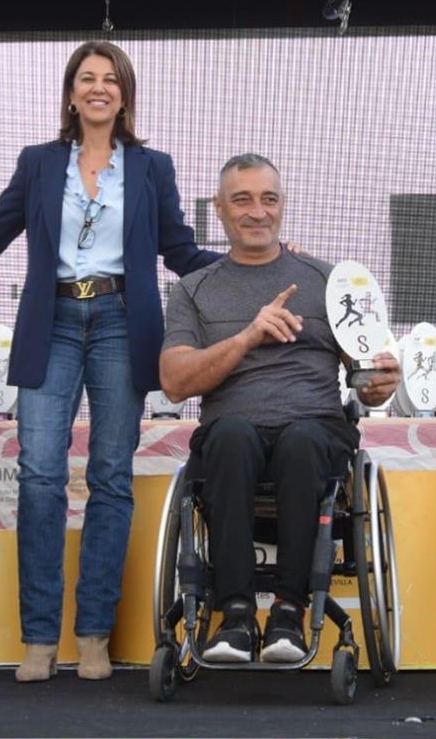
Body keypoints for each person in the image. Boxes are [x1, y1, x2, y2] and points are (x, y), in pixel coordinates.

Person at [0, 41, 219, 681]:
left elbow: (181, 250)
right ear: (71, 94)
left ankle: (95, 634)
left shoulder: (152, 167)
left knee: (110, 476)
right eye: (87, 78)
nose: (98, 88)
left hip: (121, 321)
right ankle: (40, 637)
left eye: (111, 79)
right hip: (51, 322)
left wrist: (251, 267)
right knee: (40, 475)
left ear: (125, 95)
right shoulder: (40, 163)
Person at [159, 154, 400, 664]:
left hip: (316, 430)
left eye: (269, 199)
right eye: (242, 200)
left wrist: (379, 384)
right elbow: (175, 383)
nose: (258, 212)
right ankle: (236, 616)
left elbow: (366, 379)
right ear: (219, 209)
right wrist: (247, 337)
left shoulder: (328, 280)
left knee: (302, 440)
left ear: (283, 205)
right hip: (231, 433)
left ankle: (290, 611)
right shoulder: (194, 289)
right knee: (231, 437)